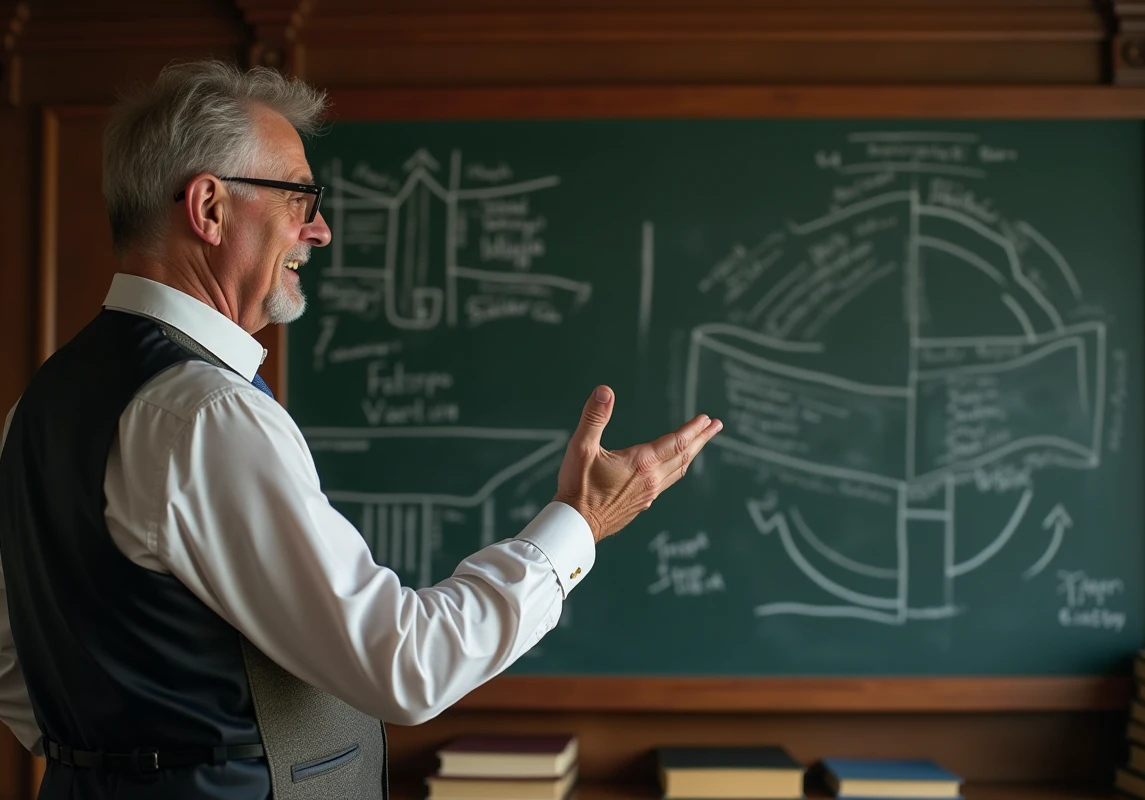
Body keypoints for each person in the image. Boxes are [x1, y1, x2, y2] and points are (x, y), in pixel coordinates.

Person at [0, 60, 722, 800]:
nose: (320, 228)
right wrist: (581, 523)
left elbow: (10, 661)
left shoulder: (41, 401)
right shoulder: (204, 414)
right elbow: (406, 668)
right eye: (298, 197)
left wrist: (109, 756)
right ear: (209, 208)